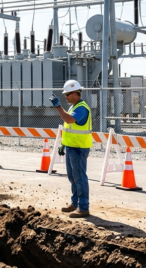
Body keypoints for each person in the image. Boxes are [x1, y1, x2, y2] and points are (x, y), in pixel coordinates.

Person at [49, 80, 92, 218]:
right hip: (71, 146)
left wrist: (58, 106)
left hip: (79, 148)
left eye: (67, 94)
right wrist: (64, 144)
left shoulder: (81, 108)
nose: (65, 96)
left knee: (79, 177)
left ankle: (84, 207)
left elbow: (68, 120)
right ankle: (75, 203)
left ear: (75, 93)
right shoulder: (74, 107)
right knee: (73, 177)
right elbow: (70, 128)